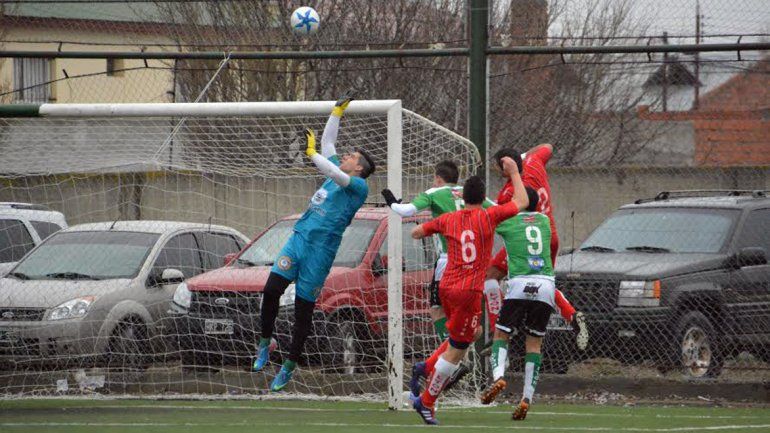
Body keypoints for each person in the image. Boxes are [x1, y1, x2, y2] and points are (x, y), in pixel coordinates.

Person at [252, 93, 376, 392]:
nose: (345, 157)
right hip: (298, 240)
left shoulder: (358, 186)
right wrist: (336, 113)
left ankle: (289, 365)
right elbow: (328, 146)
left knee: (302, 312)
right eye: (346, 155)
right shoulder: (335, 174)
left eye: (351, 157)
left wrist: (309, 155)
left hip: (320, 254)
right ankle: (265, 343)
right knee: (270, 291)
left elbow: (330, 166)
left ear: (358, 168)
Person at [408, 156, 528, 425]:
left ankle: (425, 368)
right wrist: (514, 173)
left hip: (447, 285)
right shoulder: (488, 216)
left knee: (470, 333)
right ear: (483, 197)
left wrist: (431, 228)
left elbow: (416, 232)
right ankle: (426, 401)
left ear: (463, 199)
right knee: (458, 348)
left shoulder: (449, 219)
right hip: (468, 291)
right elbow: (521, 202)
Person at [382, 161, 497, 395]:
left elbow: (406, 212)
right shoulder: (470, 195)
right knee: (470, 327)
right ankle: (449, 360)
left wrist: (392, 202)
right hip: (474, 267)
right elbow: (499, 207)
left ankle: (449, 363)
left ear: (437, 178)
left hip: (449, 261)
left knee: (437, 310)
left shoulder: (435, 193)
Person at [485, 146, 588, 351]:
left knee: (488, 276)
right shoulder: (534, 162)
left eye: (499, 167)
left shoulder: (509, 193)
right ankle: (572, 314)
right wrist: (523, 156)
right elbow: (549, 146)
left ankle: (500, 326)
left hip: (526, 240)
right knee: (545, 281)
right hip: (549, 236)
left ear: (506, 167)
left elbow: (500, 216)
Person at [479, 200, 556, 421]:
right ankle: (527, 398)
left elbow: (494, 211)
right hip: (545, 286)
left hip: (519, 283)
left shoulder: (509, 220)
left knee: (501, 335)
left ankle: (498, 377)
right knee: (534, 343)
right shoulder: (544, 220)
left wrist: (482, 197)